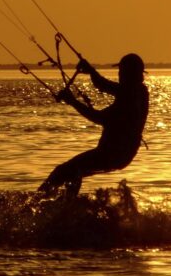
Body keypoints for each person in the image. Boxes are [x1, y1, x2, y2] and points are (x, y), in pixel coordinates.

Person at [39, 53, 149, 196]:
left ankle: (48, 203)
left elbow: (98, 117)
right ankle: (67, 204)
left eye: (122, 71)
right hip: (123, 154)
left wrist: (73, 101)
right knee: (74, 171)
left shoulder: (130, 96)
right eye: (119, 71)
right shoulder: (139, 92)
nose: (119, 74)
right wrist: (90, 71)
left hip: (111, 153)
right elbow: (103, 85)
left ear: (131, 73)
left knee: (65, 171)